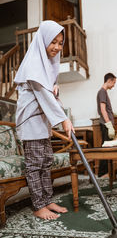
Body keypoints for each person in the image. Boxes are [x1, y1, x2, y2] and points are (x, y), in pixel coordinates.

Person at [14, 20, 74, 220]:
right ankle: (38, 205)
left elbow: (51, 92)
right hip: (30, 122)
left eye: (60, 43)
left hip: (42, 121)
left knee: (46, 161)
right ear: (43, 40)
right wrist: (64, 119)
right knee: (35, 164)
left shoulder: (47, 64)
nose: (57, 47)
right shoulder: (33, 63)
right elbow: (43, 93)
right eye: (53, 42)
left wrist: (55, 90)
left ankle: (47, 200)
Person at [97, 73, 117, 177]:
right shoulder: (102, 92)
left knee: (108, 147)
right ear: (109, 80)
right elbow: (103, 109)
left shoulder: (103, 92)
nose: (114, 85)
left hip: (106, 124)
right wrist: (109, 124)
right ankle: (103, 173)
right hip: (105, 124)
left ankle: (106, 172)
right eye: (113, 82)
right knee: (106, 148)